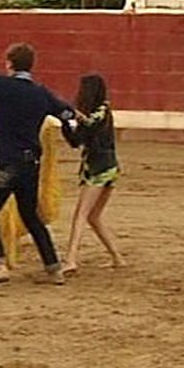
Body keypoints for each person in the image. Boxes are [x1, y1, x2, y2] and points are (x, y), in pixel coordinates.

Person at [0, 43, 78, 288]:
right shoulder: (40, 93)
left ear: (9, 63)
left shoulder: (1, 86)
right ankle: (54, 269)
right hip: (31, 165)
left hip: (7, 165)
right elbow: (67, 114)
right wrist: (76, 116)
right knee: (31, 216)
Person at [59, 74, 127, 275]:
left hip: (99, 169)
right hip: (105, 166)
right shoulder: (98, 112)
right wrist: (65, 122)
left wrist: (74, 117)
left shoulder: (100, 112)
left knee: (81, 215)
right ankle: (117, 257)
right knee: (93, 217)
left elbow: (88, 126)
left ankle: (71, 259)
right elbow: (75, 141)